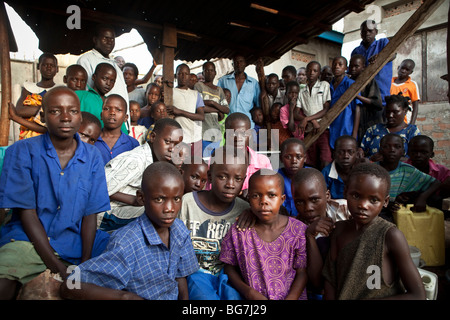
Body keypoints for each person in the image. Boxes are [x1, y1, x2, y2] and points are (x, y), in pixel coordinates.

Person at [0, 87, 111, 300]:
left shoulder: (92, 157)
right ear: (43, 116)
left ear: (80, 116)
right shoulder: (22, 151)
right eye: (55, 111)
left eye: (73, 111)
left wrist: (83, 266)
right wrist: (58, 267)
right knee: (5, 279)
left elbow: (90, 215)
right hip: (27, 241)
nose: (66, 117)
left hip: (73, 241)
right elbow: (27, 214)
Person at [60, 162, 199, 300]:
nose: (170, 208)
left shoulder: (179, 230)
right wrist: (124, 297)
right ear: (141, 198)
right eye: (159, 199)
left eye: (176, 199)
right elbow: (70, 286)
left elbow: (180, 278)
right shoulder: (126, 243)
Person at [322, 162, 426, 300]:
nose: (363, 205)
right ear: (345, 192)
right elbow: (331, 280)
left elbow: (418, 295)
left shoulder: (390, 235)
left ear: (385, 201)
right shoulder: (339, 230)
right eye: (356, 196)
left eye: (374, 200)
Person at [220, 169, 308, 300]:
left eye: (271, 195)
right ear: (248, 198)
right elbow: (229, 267)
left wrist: (292, 297)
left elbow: (302, 272)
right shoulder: (239, 231)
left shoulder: (298, 230)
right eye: (256, 196)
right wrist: (248, 292)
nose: (264, 201)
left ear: (282, 199)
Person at [178, 147, 250, 300]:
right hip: (194, 274)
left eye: (237, 179)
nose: (230, 184)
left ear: (244, 180)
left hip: (229, 275)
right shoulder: (187, 203)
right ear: (210, 176)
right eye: (223, 177)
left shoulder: (245, 210)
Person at [98, 118, 183, 232]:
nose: (172, 149)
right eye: (167, 142)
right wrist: (133, 200)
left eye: (177, 145)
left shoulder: (159, 161)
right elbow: (99, 188)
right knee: (159, 212)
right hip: (106, 214)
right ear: (152, 137)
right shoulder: (136, 160)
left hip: (125, 210)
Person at [292, 168, 349, 300]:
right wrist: (309, 235)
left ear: (327, 196)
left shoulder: (346, 210)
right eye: (299, 202)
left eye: (315, 200)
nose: (308, 208)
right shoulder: (293, 228)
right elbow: (316, 282)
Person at [376, 134, 441, 216]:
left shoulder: (408, 170)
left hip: (395, 213)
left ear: (403, 151)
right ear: (380, 150)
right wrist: (385, 204)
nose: (392, 150)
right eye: (386, 146)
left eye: (397, 146)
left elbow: (436, 183)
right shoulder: (371, 170)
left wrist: (422, 198)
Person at [77, 24, 129, 110]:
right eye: (105, 38)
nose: (109, 42)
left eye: (112, 39)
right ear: (95, 40)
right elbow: (87, 91)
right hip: (100, 114)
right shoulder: (86, 60)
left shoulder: (115, 63)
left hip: (120, 116)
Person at [221, 112, 272, 195]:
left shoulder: (262, 162)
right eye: (233, 134)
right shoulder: (217, 161)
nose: (238, 139)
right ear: (225, 136)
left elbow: (269, 190)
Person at [294, 61, 332, 169]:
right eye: (309, 70)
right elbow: (296, 113)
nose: (311, 73)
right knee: (311, 161)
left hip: (323, 128)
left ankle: (324, 184)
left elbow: (326, 109)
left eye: (315, 71)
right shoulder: (302, 91)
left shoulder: (324, 85)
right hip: (309, 129)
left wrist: (308, 118)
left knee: (325, 159)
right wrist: (311, 121)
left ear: (319, 73)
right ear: (306, 72)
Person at [361, 94, 421, 162]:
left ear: (405, 111)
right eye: (388, 112)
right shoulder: (373, 130)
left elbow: (417, 159)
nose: (390, 115)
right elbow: (362, 153)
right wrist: (370, 159)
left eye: (395, 112)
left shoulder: (412, 132)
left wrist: (388, 159)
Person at [13, 53, 59, 139]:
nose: (48, 68)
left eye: (52, 65)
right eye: (45, 64)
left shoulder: (60, 90)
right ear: (38, 66)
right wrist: (43, 110)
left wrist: (31, 109)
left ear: (57, 69)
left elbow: (57, 114)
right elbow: (19, 110)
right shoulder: (28, 88)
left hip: (50, 137)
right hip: (27, 136)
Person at [351, 20, 396, 107]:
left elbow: (393, 55)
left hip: (381, 94)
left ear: (376, 32)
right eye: (364, 32)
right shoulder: (356, 51)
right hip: (362, 97)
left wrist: (380, 56)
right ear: (361, 34)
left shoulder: (383, 43)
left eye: (370, 31)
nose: (367, 34)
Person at [76, 63, 128, 134]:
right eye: (105, 78)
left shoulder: (113, 103)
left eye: (112, 81)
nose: (108, 83)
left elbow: (123, 133)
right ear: (94, 77)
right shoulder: (80, 96)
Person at [167, 64, 205, 157]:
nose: (183, 76)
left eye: (186, 74)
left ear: (189, 76)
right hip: (179, 138)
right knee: (180, 164)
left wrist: (179, 111)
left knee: (195, 164)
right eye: (180, 73)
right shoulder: (171, 92)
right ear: (176, 76)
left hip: (195, 136)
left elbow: (201, 116)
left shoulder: (195, 94)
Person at [194, 61, 230, 157]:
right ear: (203, 73)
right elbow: (199, 106)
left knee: (214, 162)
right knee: (204, 160)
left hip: (216, 133)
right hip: (203, 131)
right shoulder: (198, 86)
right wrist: (217, 109)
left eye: (211, 70)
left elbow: (226, 109)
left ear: (215, 73)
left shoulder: (219, 90)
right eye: (207, 70)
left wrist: (212, 103)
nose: (209, 72)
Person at [348, 54, 383, 145]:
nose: (353, 69)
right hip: (355, 121)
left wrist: (357, 96)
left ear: (363, 67)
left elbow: (377, 103)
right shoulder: (348, 81)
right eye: (351, 66)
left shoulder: (369, 81)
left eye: (356, 66)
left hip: (370, 120)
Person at [217, 54, 261, 128]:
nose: (239, 64)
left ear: (245, 63)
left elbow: (258, 104)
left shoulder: (253, 83)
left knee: (248, 140)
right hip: (228, 124)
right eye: (236, 62)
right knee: (230, 140)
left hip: (248, 124)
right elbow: (217, 100)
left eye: (241, 61)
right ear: (232, 64)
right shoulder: (223, 81)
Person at [95, 95, 139, 165]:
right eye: (107, 109)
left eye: (118, 110)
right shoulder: (92, 140)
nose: (112, 112)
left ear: (125, 117)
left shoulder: (133, 144)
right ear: (101, 115)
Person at [406, 135, 450, 203]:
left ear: (431, 154)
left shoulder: (440, 171)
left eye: (423, 152)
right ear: (408, 153)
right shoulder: (401, 168)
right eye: (414, 152)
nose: (418, 155)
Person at [329, 56, 359, 150]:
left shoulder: (350, 84)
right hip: (332, 126)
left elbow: (357, 109)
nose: (337, 67)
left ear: (346, 68)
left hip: (346, 125)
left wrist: (354, 133)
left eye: (340, 65)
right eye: (334, 65)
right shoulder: (329, 85)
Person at [322, 136, 359, 200]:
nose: (346, 156)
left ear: (357, 155)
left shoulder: (361, 173)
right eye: (341, 152)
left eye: (350, 152)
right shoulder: (326, 173)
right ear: (334, 154)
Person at [277, 138, 307, 217]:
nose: (294, 161)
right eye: (288, 157)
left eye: (298, 157)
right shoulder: (275, 178)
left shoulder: (312, 177)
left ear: (305, 158)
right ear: (281, 159)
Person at [390, 59, 420, 125]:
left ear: (411, 72)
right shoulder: (389, 82)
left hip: (405, 117)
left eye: (407, 70)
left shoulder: (412, 84)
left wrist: (412, 123)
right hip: (390, 115)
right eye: (402, 68)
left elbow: (415, 105)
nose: (403, 71)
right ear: (398, 68)